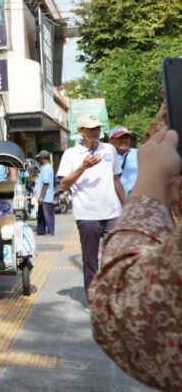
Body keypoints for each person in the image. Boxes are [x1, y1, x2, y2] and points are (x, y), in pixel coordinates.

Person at [89, 125, 182, 390]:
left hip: (137, 212)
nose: (124, 142)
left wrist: (148, 188)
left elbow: (123, 307)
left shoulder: (125, 156)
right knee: (93, 262)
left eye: (128, 138)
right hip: (139, 212)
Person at [57, 114, 126, 298]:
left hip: (113, 213)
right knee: (90, 260)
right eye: (90, 129)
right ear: (80, 132)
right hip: (87, 215)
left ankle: (115, 295)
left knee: (116, 256)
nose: (95, 132)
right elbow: (64, 184)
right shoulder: (71, 154)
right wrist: (83, 167)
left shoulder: (110, 149)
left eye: (97, 128)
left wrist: (126, 207)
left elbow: (117, 180)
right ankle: (94, 299)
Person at [108, 125, 138, 196]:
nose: (124, 141)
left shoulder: (139, 153)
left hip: (135, 202)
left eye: (126, 137)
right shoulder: (104, 157)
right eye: (120, 138)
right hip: (112, 203)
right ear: (110, 141)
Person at [34, 150, 55, 236]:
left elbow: (45, 183)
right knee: (41, 215)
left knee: (48, 215)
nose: (38, 160)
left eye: (39, 158)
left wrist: (41, 197)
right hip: (43, 197)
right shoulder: (45, 167)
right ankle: (41, 231)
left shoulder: (47, 168)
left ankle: (51, 231)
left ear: (42, 158)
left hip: (46, 197)